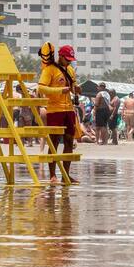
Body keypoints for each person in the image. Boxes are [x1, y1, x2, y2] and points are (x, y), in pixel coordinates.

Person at [37, 43, 80, 184]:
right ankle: (52, 175)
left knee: (69, 141)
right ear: (60, 56)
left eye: (70, 60)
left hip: (69, 109)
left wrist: (76, 89)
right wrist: (59, 91)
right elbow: (41, 88)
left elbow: (72, 88)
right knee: (54, 142)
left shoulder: (71, 70)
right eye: (66, 59)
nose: (68, 62)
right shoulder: (49, 70)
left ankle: (65, 175)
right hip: (54, 110)